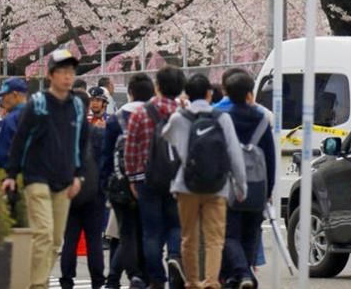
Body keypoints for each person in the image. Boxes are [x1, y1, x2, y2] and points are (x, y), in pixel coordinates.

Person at [2, 49, 90, 289]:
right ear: (51, 75)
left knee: (55, 241)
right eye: (62, 72)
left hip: (64, 180)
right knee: (43, 233)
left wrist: (78, 175)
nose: (67, 77)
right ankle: (39, 286)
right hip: (36, 177)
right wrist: (11, 174)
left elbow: (81, 142)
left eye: (71, 72)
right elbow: (20, 140)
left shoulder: (77, 107)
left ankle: (32, 282)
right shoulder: (38, 104)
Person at [162, 73, 246, 289]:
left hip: (185, 185)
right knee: (214, 238)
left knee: (189, 237)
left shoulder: (179, 118)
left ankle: (192, 282)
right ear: (210, 94)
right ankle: (210, 282)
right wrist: (241, 185)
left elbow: (167, 138)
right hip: (217, 187)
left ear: (187, 95)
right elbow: (234, 153)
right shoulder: (222, 118)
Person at [125, 66, 186, 289]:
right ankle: (174, 257)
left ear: (157, 87)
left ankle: (156, 280)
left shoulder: (141, 113)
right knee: (175, 225)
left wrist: (133, 178)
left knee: (151, 232)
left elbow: (130, 148)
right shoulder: (184, 112)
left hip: (146, 180)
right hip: (178, 180)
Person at [220, 71, 275, 289]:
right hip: (257, 186)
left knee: (230, 235)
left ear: (228, 94)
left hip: (231, 186)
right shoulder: (262, 120)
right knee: (252, 233)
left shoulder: (225, 120)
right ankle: (245, 274)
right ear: (250, 94)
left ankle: (242, 275)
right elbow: (270, 158)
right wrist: (268, 190)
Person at [101, 72, 154, 289]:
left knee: (127, 233)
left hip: (121, 185)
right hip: (150, 184)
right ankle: (146, 275)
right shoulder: (155, 117)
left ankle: (127, 277)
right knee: (148, 233)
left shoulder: (116, 120)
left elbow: (106, 155)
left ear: (130, 93)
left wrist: (105, 184)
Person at [60, 89, 106, 289]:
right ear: (87, 106)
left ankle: (67, 280)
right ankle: (97, 281)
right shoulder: (97, 132)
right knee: (94, 240)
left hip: (70, 192)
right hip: (94, 194)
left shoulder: (64, 133)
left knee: (70, 239)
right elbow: (104, 163)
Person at [0, 76, 28, 169]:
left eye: (4, 95)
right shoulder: (39, 114)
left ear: (15, 95)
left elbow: (1, 155)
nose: (2, 100)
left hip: (12, 176)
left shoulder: (10, 120)